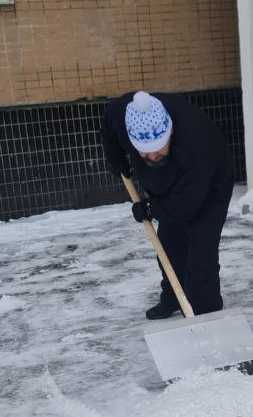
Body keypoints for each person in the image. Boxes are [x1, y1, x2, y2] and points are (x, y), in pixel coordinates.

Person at [101, 90, 235, 319]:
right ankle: (174, 297)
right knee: (170, 245)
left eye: (159, 149)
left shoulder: (197, 142)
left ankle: (205, 311)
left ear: (170, 130)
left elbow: (185, 207)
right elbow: (108, 127)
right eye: (145, 153)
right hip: (169, 185)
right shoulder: (123, 115)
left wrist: (151, 208)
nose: (153, 157)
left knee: (201, 251)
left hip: (211, 184)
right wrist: (116, 159)